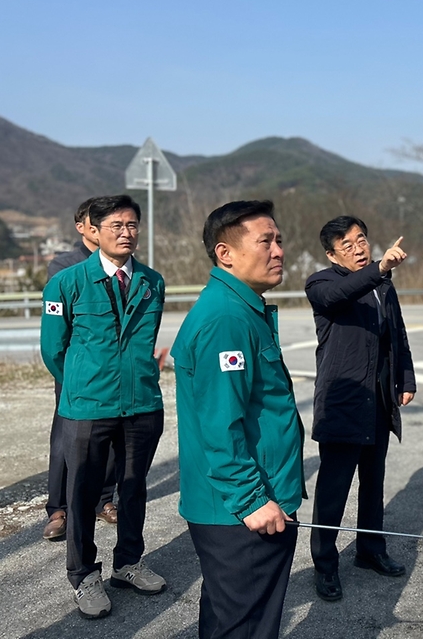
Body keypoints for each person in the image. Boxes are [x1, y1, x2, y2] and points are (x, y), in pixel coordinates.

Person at [172, 200, 304, 639]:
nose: (278, 250)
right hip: (241, 511)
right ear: (225, 253)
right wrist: (251, 500)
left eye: (279, 240)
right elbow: (219, 427)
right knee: (244, 626)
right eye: (265, 241)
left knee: (235, 617)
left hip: (253, 501)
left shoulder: (243, 309)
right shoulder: (226, 319)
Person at [40, 194, 166, 619]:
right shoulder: (66, 282)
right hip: (87, 407)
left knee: (133, 488)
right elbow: (53, 350)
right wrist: (82, 384)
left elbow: (146, 343)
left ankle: (128, 562)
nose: (126, 233)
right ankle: (83, 575)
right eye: (116, 225)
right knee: (82, 493)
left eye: (132, 225)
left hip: (142, 404)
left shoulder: (153, 281)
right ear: (93, 229)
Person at [306, 216, 416, 602]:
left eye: (362, 240)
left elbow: (396, 334)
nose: (358, 248)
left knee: (373, 483)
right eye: (348, 244)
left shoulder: (383, 286)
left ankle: (370, 550)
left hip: (377, 402)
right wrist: (380, 267)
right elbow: (340, 297)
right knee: (333, 489)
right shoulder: (322, 283)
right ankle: (324, 563)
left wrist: (407, 379)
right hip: (342, 404)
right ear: (331, 253)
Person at [43, 197, 120, 542]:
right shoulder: (64, 266)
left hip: (114, 371)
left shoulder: (122, 263)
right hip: (77, 369)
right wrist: (67, 373)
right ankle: (58, 508)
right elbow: (58, 330)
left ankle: (103, 499)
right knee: (66, 436)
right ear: (83, 227)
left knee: (113, 437)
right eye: (98, 222)